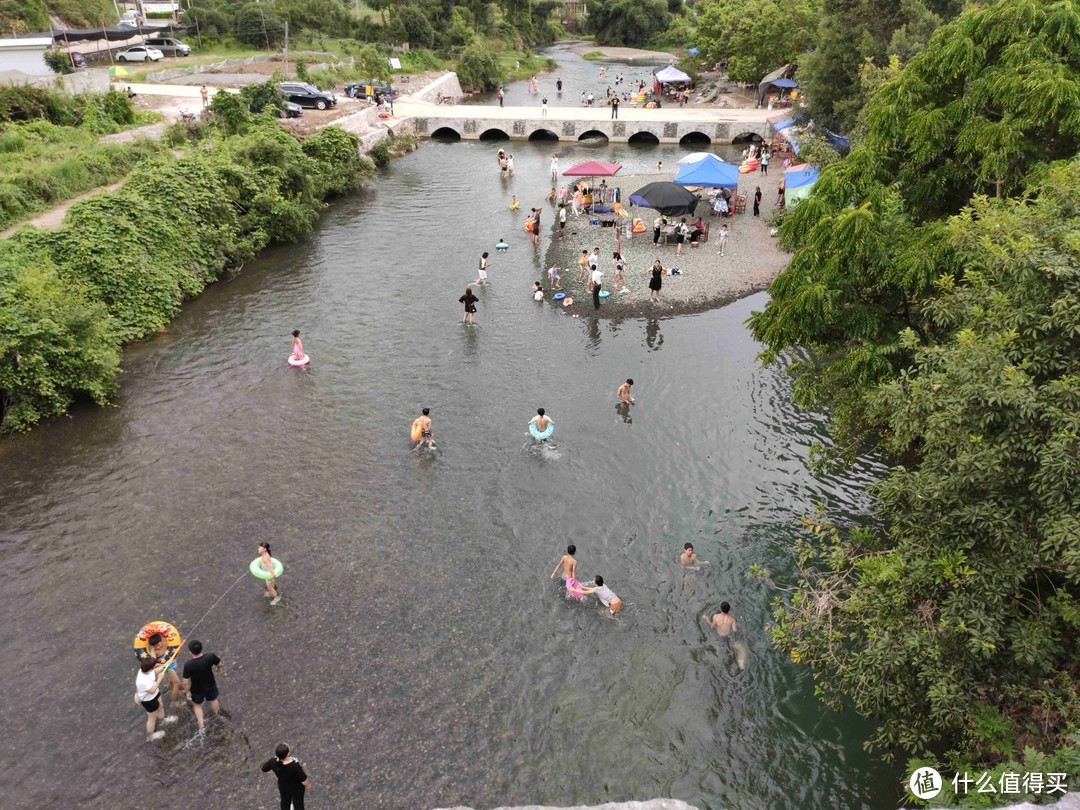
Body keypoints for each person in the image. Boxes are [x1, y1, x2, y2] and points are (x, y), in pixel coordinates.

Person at [182, 640, 222, 732]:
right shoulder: (210, 656)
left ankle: (201, 725)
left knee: (197, 705)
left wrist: (187, 692)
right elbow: (219, 664)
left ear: (190, 652)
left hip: (197, 689)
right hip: (210, 684)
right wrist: (218, 669)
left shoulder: (188, 665)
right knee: (213, 700)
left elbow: (185, 682)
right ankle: (217, 716)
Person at [135, 656, 177, 741]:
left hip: (155, 694)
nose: (156, 665)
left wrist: (166, 664)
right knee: (152, 717)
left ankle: (163, 720)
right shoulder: (141, 681)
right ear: (150, 668)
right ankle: (150, 735)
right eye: (154, 665)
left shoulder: (145, 670)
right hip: (148, 700)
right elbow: (152, 690)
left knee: (160, 705)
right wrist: (159, 679)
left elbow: (154, 672)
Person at [262, 743, 311, 810]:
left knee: (285, 801)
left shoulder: (273, 761)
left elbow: (264, 769)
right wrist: (308, 786)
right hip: (296, 788)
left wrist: (274, 774)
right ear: (287, 754)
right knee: (298, 802)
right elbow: (303, 779)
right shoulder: (294, 765)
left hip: (283, 786)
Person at [147, 633, 182, 702]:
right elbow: (153, 664)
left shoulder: (165, 641)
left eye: (158, 644)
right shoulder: (153, 651)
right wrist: (164, 665)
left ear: (161, 640)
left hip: (173, 661)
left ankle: (169, 685)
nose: (157, 647)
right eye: (154, 646)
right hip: (166, 667)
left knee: (171, 679)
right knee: (177, 682)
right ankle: (175, 699)